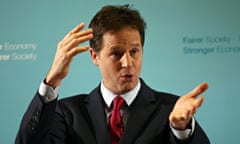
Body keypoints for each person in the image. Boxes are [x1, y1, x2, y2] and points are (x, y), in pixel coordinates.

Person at [15, 4, 210, 144]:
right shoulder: (67, 112)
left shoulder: (172, 110)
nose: (127, 63)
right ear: (94, 56)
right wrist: (52, 80)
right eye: (116, 54)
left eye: (134, 52)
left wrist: (181, 130)